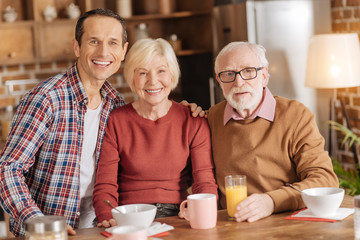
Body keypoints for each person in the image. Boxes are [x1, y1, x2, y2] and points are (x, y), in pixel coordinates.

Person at [0, 9, 202, 237]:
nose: (104, 52)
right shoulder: (47, 99)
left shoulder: (115, 104)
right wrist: (36, 220)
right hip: (52, 232)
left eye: (113, 43)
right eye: (94, 41)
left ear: (123, 51)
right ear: (77, 46)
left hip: (100, 228)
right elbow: (8, 169)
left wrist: (183, 110)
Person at [207, 41, 339, 223]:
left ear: (264, 76)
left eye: (248, 71)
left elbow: (324, 180)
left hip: (286, 222)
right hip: (230, 225)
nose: (239, 81)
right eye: (229, 73)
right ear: (219, 80)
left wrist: (271, 201)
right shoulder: (210, 118)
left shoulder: (296, 115)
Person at [93, 38, 218, 228]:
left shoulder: (194, 120)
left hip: (177, 214)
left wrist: (201, 213)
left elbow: (205, 181)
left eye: (161, 71)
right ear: (132, 77)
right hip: (129, 214)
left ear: (172, 74)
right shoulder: (116, 120)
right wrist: (106, 215)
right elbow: (105, 184)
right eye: (143, 73)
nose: (153, 81)